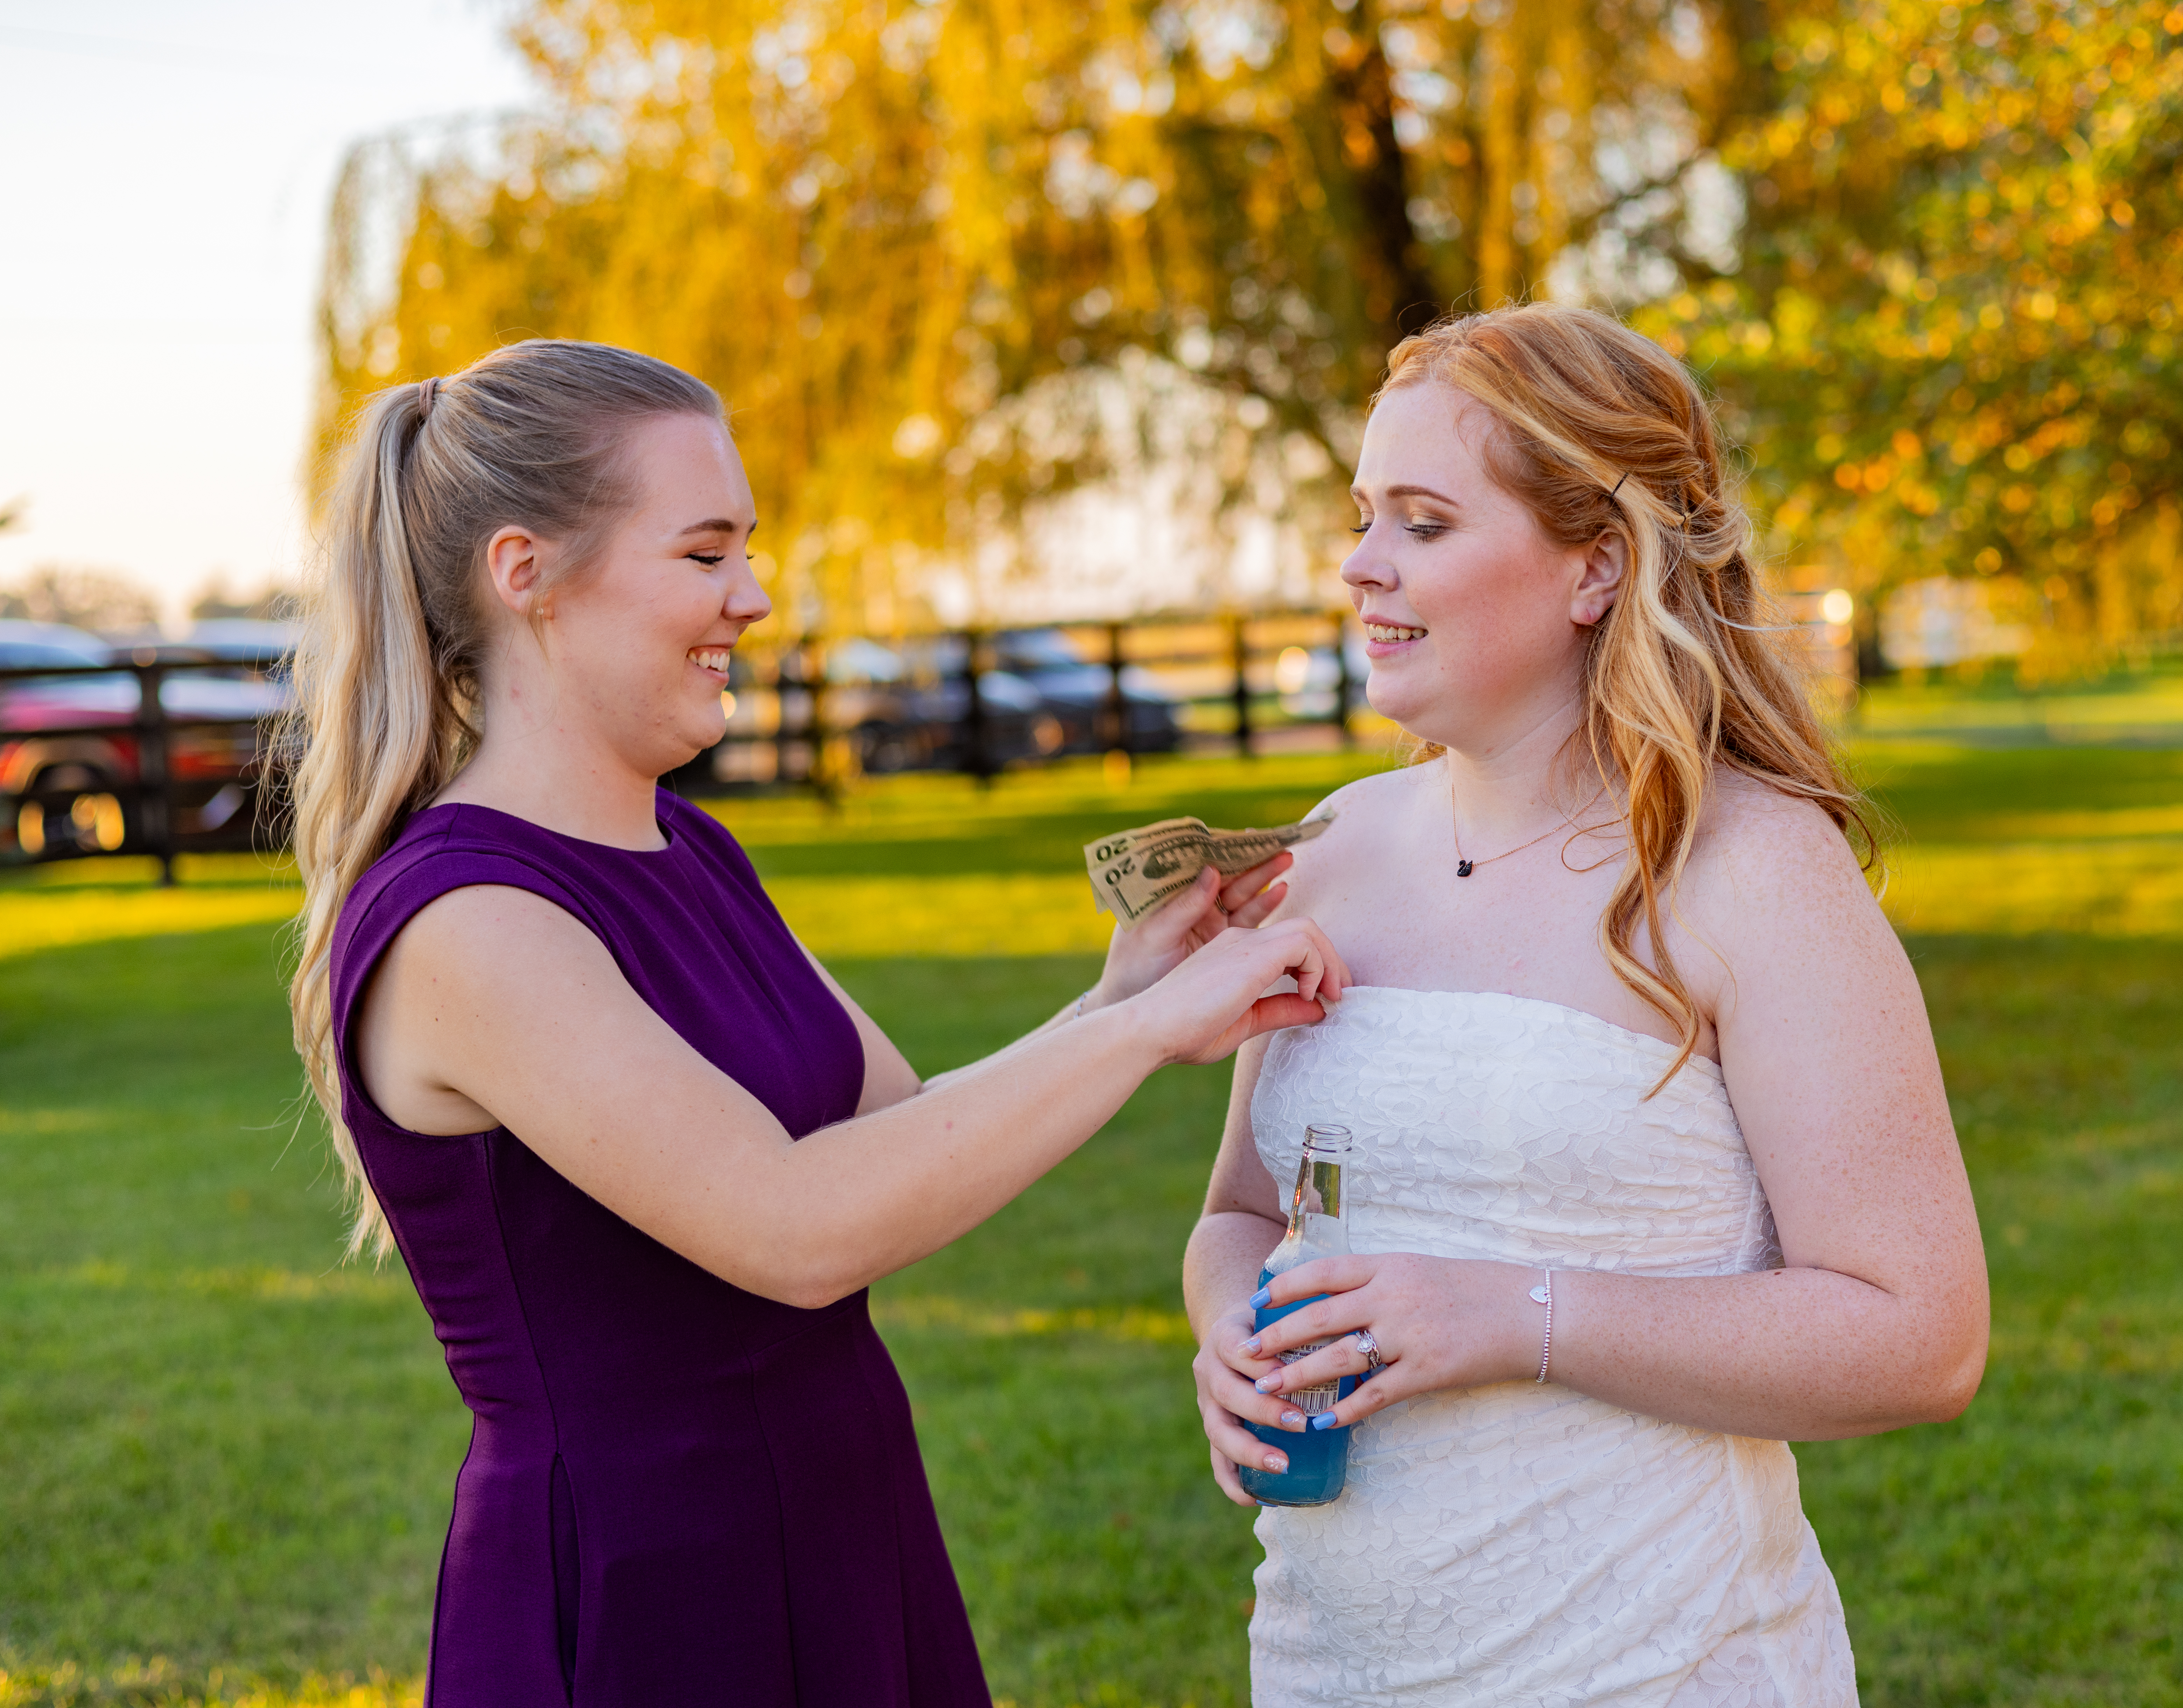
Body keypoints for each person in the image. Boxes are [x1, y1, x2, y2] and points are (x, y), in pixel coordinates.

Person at [285, 339, 1346, 1706]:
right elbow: (793, 1230)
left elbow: (895, 1136)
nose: (756, 596)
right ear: (525, 571)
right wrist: (1139, 1039)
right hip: (642, 1590)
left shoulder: (693, 850)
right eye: (705, 554)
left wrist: (1122, 992)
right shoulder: (463, 920)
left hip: (842, 1517)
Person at [1184, 304, 1989, 1706]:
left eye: (1423, 524)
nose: (1359, 567)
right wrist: (1230, 1344)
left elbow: (1922, 1335)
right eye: (1365, 514)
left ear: (1597, 565)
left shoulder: (1752, 870)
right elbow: (1243, 1217)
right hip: (1328, 1670)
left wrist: (1517, 1313)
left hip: (1659, 1669)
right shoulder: (1331, 851)